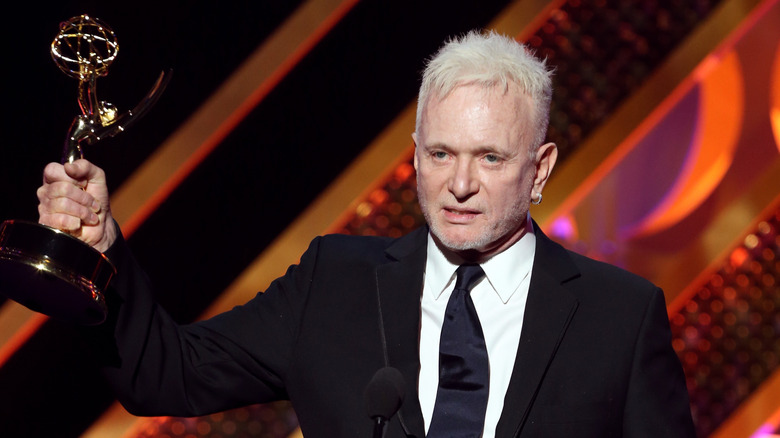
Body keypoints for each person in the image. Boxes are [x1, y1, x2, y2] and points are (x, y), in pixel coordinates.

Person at [37, 31, 696, 438]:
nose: (459, 184)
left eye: (490, 158)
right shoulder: (334, 281)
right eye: (441, 154)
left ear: (540, 169)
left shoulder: (620, 317)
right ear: (415, 153)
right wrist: (101, 251)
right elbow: (166, 374)